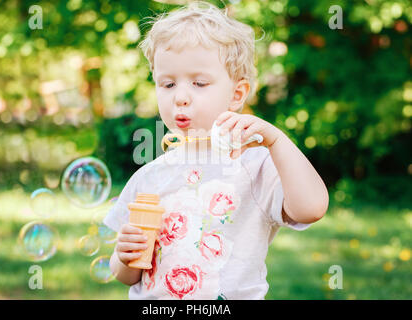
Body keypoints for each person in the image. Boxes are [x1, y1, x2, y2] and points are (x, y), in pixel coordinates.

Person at [103, 1, 329, 300]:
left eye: (198, 83)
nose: (181, 97)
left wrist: (276, 139)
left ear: (237, 94)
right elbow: (128, 274)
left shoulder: (253, 164)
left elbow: (311, 209)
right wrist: (123, 255)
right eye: (168, 84)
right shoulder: (150, 177)